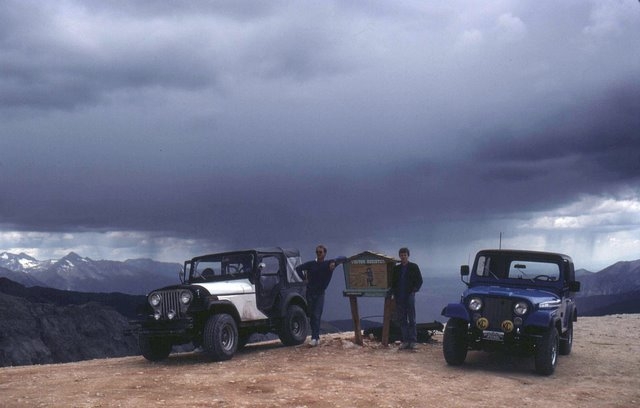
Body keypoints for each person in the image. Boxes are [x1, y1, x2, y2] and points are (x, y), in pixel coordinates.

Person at [296, 245, 346, 346]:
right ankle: (316, 338)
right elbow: (298, 269)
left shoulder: (328, 264)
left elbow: (343, 258)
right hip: (310, 293)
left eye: (320, 252)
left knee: (317, 315)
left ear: (324, 253)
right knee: (311, 315)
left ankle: (314, 338)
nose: (318, 254)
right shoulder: (311, 264)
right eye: (317, 252)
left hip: (320, 294)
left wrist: (333, 261)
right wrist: (304, 279)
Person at [390, 247, 423, 350]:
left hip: (409, 296)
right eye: (401, 255)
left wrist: (414, 290)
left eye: (405, 255)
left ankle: (413, 341)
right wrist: (393, 293)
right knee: (402, 319)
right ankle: (405, 341)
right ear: (399, 256)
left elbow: (419, 280)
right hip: (399, 296)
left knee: (412, 318)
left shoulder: (414, 267)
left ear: (408, 256)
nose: (403, 256)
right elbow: (393, 282)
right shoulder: (396, 269)